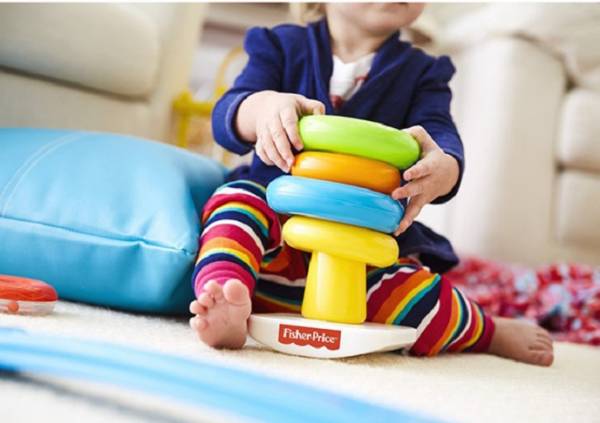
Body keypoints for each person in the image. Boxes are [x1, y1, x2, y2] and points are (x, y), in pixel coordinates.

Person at [189, 3, 554, 366]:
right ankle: (225, 298)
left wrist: (444, 167)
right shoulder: (280, 45)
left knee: (425, 300)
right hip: (273, 247)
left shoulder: (424, 72)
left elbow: (439, 132)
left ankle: (487, 331)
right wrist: (262, 108)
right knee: (235, 204)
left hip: (362, 264)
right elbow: (227, 115)